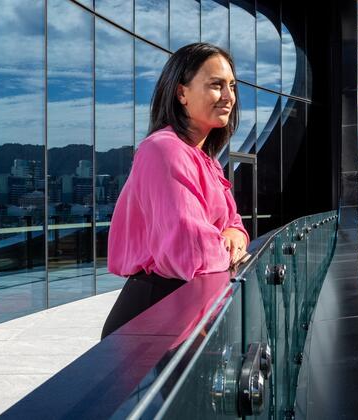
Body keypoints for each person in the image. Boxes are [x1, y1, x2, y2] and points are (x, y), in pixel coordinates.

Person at [100, 43, 249, 339]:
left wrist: (233, 236)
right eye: (216, 85)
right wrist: (229, 247)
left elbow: (235, 224)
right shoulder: (163, 149)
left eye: (232, 86)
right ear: (181, 93)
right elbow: (190, 251)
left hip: (183, 309)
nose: (229, 97)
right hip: (151, 317)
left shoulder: (204, 160)